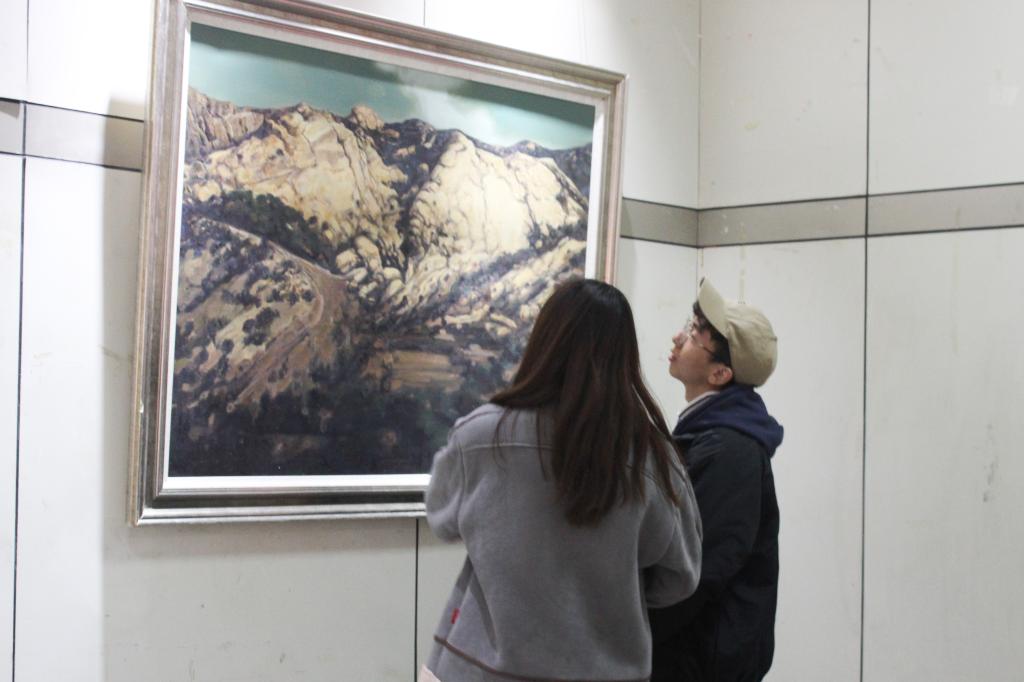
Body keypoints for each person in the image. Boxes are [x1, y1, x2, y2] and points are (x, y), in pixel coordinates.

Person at [423, 277, 703, 682]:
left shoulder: (481, 436)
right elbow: (680, 576)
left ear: (545, 340)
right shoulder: (653, 456)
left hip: (484, 671)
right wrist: (613, 586)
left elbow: (441, 518)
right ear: (624, 355)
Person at [650, 277, 785, 682]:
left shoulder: (730, 451)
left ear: (721, 373)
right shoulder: (710, 434)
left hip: (701, 665)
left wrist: (634, 636)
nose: (678, 337)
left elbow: (698, 572)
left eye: (694, 334)